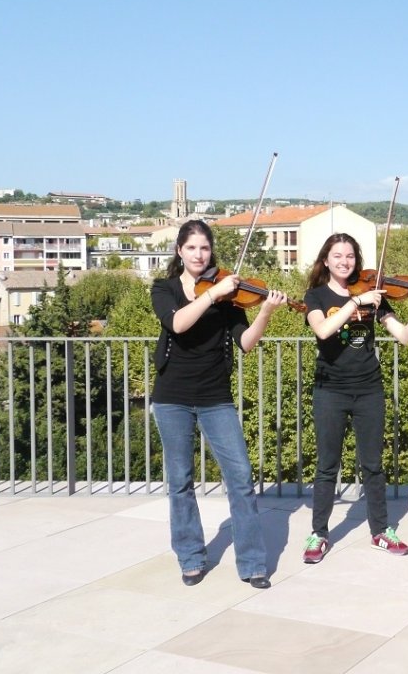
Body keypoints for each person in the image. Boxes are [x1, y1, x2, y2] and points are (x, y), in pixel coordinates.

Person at [151, 220, 286, 589]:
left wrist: (264, 313)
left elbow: (245, 344)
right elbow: (177, 324)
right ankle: (191, 557)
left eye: (205, 248)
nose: (199, 255)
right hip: (172, 398)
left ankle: (253, 563)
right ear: (180, 251)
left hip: (215, 397)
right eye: (192, 248)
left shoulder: (229, 293)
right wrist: (211, 295)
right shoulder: (164, 288)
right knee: (180, 481)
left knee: (240, 478)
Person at [301, 233, 408, 564]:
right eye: (338, 256)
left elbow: (404, 337)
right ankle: (319, 533)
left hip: (369, 389)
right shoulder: (315, 295)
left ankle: (381, 531)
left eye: (350, 256)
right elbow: (323, 330)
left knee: (373, 464)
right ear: (326, 261)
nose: (345, 261)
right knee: (327, 465)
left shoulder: (373, 294)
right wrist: (354, 303)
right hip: (330, 388)